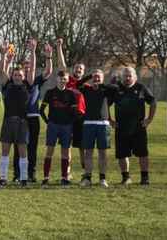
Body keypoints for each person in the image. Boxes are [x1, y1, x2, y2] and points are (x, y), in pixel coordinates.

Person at [0, 40, 38, 187]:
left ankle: (23, 178)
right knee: (5, 152)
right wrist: (3, 56)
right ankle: (3, 178)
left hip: (22, 122)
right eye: (15, 75)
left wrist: (33, 51)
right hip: (8, 121)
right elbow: (2, 71)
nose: (17, 77)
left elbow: (32, 69)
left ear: (23, 76)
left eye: (19, 75)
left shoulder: (28, 85)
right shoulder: (7, 85)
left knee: (23, 152)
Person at [108, 67, 156, 185]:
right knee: (122, 154)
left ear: (135, 77)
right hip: (121, 128)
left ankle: (144, 178)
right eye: (125, 76)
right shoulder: (116, 88)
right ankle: (126, 178)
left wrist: (149, 119)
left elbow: (153, 102)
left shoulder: (141, 88)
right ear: (122, 77)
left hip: (138, 128)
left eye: (130, 76)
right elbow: (106, 104)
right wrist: (110, 120)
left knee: (143, 153)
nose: (127, 78)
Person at [13, 42, 53, 182]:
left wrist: (48, 57)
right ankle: (17, 174)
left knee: (32, 147)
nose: (27, 68)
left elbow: (48, 71)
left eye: (29, 66)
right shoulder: (17, 82)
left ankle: (31, 173)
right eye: (25, 66)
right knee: (18, 147)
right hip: (20, 118)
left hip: (33, 117)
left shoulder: (36, 81)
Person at [40, 71, 85, 186]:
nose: (62, 81)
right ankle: (46, 177)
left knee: (65, 152)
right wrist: (48, 122)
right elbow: (41, 110)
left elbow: (75, 112)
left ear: (67, 80)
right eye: (60, 78)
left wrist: (72, 122)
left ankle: (64, 177)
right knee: (49, 150)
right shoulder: (50, 92)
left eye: (64, 79)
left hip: (66, 127)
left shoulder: (71, 94)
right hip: (53, 126)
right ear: (56, 79)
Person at [77, 69, 117, 188]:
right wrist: (89, 76)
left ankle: (102, 179)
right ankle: (87, 178)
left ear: (102, 78)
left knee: (103, 153)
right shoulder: (86, 89)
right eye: (95, 77)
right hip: (88, 124)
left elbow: (115, 87)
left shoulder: (106, 90)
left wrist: (101, 84)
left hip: (103, 124)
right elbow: (78, 84)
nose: (96, 79)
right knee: (88, 152)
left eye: (99, 77)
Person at [56, 38, 87, 174]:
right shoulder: (68, 81)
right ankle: (66, 173)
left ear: (83, 72)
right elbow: (62, 66)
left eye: (80, 69)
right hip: (67, 118)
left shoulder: (87, 86)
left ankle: (86, 172)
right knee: (66, 145)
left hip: (80, 118)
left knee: (82, 146)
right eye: (76, 68)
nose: (78, 70)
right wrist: (59, 48)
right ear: (73, 70)